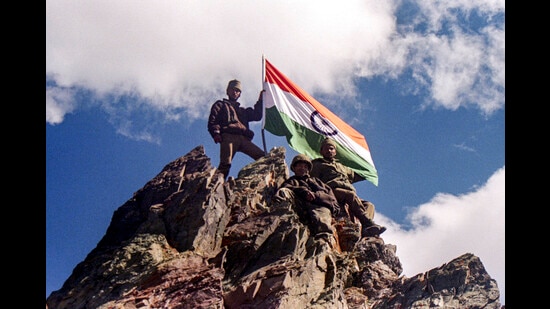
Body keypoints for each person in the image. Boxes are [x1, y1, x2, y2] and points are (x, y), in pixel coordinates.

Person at [310, 137, 386, 238]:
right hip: (331, 191)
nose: (329, 150)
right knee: (350, 195)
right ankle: (368, 222)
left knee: (369, 205)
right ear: (321, 151)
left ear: (335, 152)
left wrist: (369, 170)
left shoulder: (342, 166)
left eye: (331, 148)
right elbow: (312, 180)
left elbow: (355, 176)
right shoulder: (317, 164)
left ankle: (365, 229)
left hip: (346, 191)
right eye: (326, 148)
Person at [276, 154, 340, 246]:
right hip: (300, 206)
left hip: (319, 206)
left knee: (321, 217)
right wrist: (302, 191)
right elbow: (287, 188)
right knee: (283, 191)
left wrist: (315, 196)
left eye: (305, 166)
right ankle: (281, 217)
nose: (302, 168)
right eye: (299, 166)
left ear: (308, 169)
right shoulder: (292, 181)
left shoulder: (317, 181)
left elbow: (331, 199)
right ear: (294, 168)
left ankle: (323, 242)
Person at [208, 79, 265, 180]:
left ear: (239, 94)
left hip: (243, 138)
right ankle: (216, 184)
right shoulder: (220, 105)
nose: (235, 92)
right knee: (225, 163)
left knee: (263, 157)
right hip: (228, 136)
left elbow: (257, 115)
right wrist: (216, 133)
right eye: (232, 89)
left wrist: (261, 100)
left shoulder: (243, 111)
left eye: (237, 91)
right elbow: (213, 121)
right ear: (228, 91)